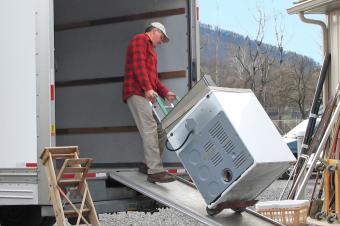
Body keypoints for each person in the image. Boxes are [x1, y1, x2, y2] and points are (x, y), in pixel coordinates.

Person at [122, 22, 176, 183]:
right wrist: (147, 88)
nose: (161, 41)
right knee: (150, 128)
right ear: (154, 31)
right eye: (162, 37)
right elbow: (139, 67)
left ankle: (149, 165)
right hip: (136, 92)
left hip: (144, 93)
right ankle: (155, 170)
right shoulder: (140, 40)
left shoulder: (151, 50)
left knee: (161, 130)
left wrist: (165, 92)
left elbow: (153, 79)